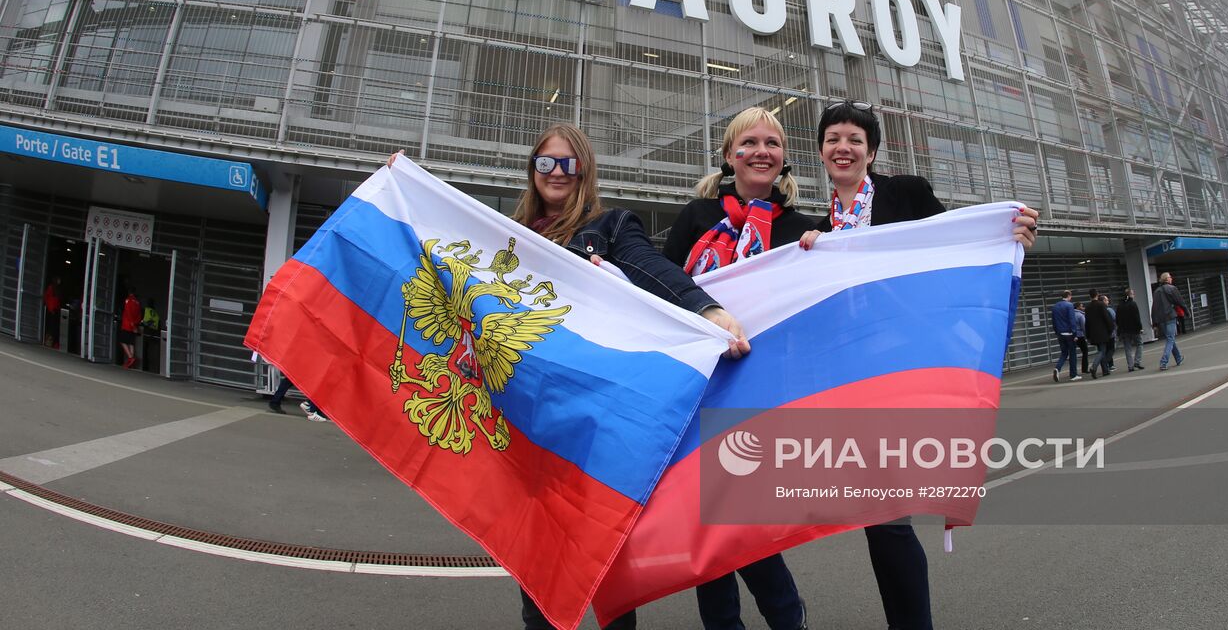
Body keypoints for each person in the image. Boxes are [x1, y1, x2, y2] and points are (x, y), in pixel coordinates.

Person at [394, 124, 748, 630]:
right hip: (523, 422)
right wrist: (405, 187)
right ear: (532, 171)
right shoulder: (505, 238)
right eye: (545, 163)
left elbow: (650, 267)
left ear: (583, 169)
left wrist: (705, 308)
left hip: (589, 424)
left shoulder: (609, 225)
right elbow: (442, 250)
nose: (556, 172)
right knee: (534, 562)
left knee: (605, 567)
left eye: (567, 162)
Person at [796, 100, 1037, 630]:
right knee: (879, 521)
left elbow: (958, 244)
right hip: (855, 384)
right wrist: (809, 255)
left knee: (886, 521)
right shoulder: (816, 230)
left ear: (872, 152)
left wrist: (1007, 237)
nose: (844, 147)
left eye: (855, 140)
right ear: (820, 152)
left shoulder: (906, 193)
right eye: (833, 138)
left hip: (908, 371)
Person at [661, 106, 809, 630]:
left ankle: (789, 622)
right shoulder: (695, 217)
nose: (761, 151)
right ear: (729, 156)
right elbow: (659, 285)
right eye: (749, 143)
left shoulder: (802, 228)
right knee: (708, 532)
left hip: (763, 393)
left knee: (747, 529)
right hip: (700, 387)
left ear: (784, 158)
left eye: (772, 142)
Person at [1150, 273, 1187, 370]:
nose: (1171, 278)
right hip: (1170, 316)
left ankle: (1178, 358)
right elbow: (1180, 301)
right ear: (1167, 279)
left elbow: (1154, 307)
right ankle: (1163, 362)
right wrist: (1186, 311)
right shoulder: (1172, 288)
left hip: (1161, 319)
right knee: (1170, 339)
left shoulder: (1156, 291)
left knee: (1170, 339)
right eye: (1170, 277)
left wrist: (1154, 322)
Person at [1051, 290, 1080, 382]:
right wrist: (1074, 333)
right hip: (1069, 333)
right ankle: (1073, 374)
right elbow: (1072, 320)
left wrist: (1057, 332)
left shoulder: (1055, 306)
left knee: (1064, 353)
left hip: (1060, 333)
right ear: (1068, 296)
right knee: (1072, 354)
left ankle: (1057, 368)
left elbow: (1054, 321)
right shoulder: (1069, 305)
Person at [1083, 295, 1115, 379]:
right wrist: (1111, 329)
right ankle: (1094, 367)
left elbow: (1087, 323)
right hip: (1102, 333)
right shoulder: (1101, 305)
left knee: (1101, 350)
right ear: (1096, 295)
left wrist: (1088, 335)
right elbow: (1107, 318)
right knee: (1102, 351)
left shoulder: (1088, 307)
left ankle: (1105, 370)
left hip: (1093, 334)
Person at [1116, 287, 1145, 371]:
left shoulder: (1120, 305)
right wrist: (1140, 328)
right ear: (1130, 295)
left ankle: (1130, 366)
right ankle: (1137, 362)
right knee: (1139, 344)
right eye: (1133, 293)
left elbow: (1117, 319)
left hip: (1124, 330)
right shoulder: (1133, 304)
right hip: (1134, 329)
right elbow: (1137, 317)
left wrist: (1120, 328)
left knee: (1127, 348)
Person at [119, 289, 141, 369]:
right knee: (131, 342)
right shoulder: (138, 303)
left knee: (122, 341)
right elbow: (139, 315)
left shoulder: (128, 300)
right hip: (134, 325)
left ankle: (130, 357)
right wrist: (135, 324)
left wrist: (131, 323)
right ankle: (132, 359)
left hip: (127, 324)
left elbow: (128, 312)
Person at [43, 278, 62, 349]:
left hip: (55, 310)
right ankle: (48, 341)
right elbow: (48, 298)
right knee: (51, 326)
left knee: (54, 327)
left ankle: (53, 343)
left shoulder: (57, 289)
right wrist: (51, 309)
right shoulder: (51, 288)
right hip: (51, 310)